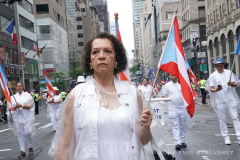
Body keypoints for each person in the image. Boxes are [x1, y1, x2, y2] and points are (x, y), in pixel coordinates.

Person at [48, 32, 166, 160]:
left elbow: (144, 140)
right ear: (90, 61)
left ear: (116, 59)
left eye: (108, 51)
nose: (101, 56)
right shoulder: (76, 96)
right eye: (95, 52)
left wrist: (146, 127)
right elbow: (66, 145)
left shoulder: (133, 94)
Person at [206, 58, 240, 145]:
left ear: (223, 65)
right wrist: (216, 89)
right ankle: (226, 137)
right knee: (222, 119)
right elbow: (210, 88)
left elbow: (236, 84)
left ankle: (239, 136)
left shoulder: (229, 73)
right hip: (220, 100)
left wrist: (231, 84)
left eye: (221, 65)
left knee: (235, 117)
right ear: (215, 67)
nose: (219, 67)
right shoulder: (213, 75)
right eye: (217, 66)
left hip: (230, 98)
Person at [7, 82, 35, 158]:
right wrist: (15, 107)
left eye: (20, 86)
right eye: (18, 86)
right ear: (16, 87)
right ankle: (22, 151)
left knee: (28, 132)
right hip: (18, 118)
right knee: (20, 134)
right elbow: (9, 108)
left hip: (27, 117)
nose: (19, 87)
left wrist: (21, 105)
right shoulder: (12, 97)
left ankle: (30, 147)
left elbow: (30, 105)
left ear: (23, 87)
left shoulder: (27, 95)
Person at [162, 75, 187, 150]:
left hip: (182, 109)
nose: (170, 77)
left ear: (176, 75)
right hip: (172, 109)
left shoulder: (182, 84)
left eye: (172, 75)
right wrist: (167, 98)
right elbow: (164, 95)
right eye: (170, 75)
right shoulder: (167, 85)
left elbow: (187, 94)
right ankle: (177, 143)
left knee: (182, 126)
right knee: (175, 126)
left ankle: (182, 141)